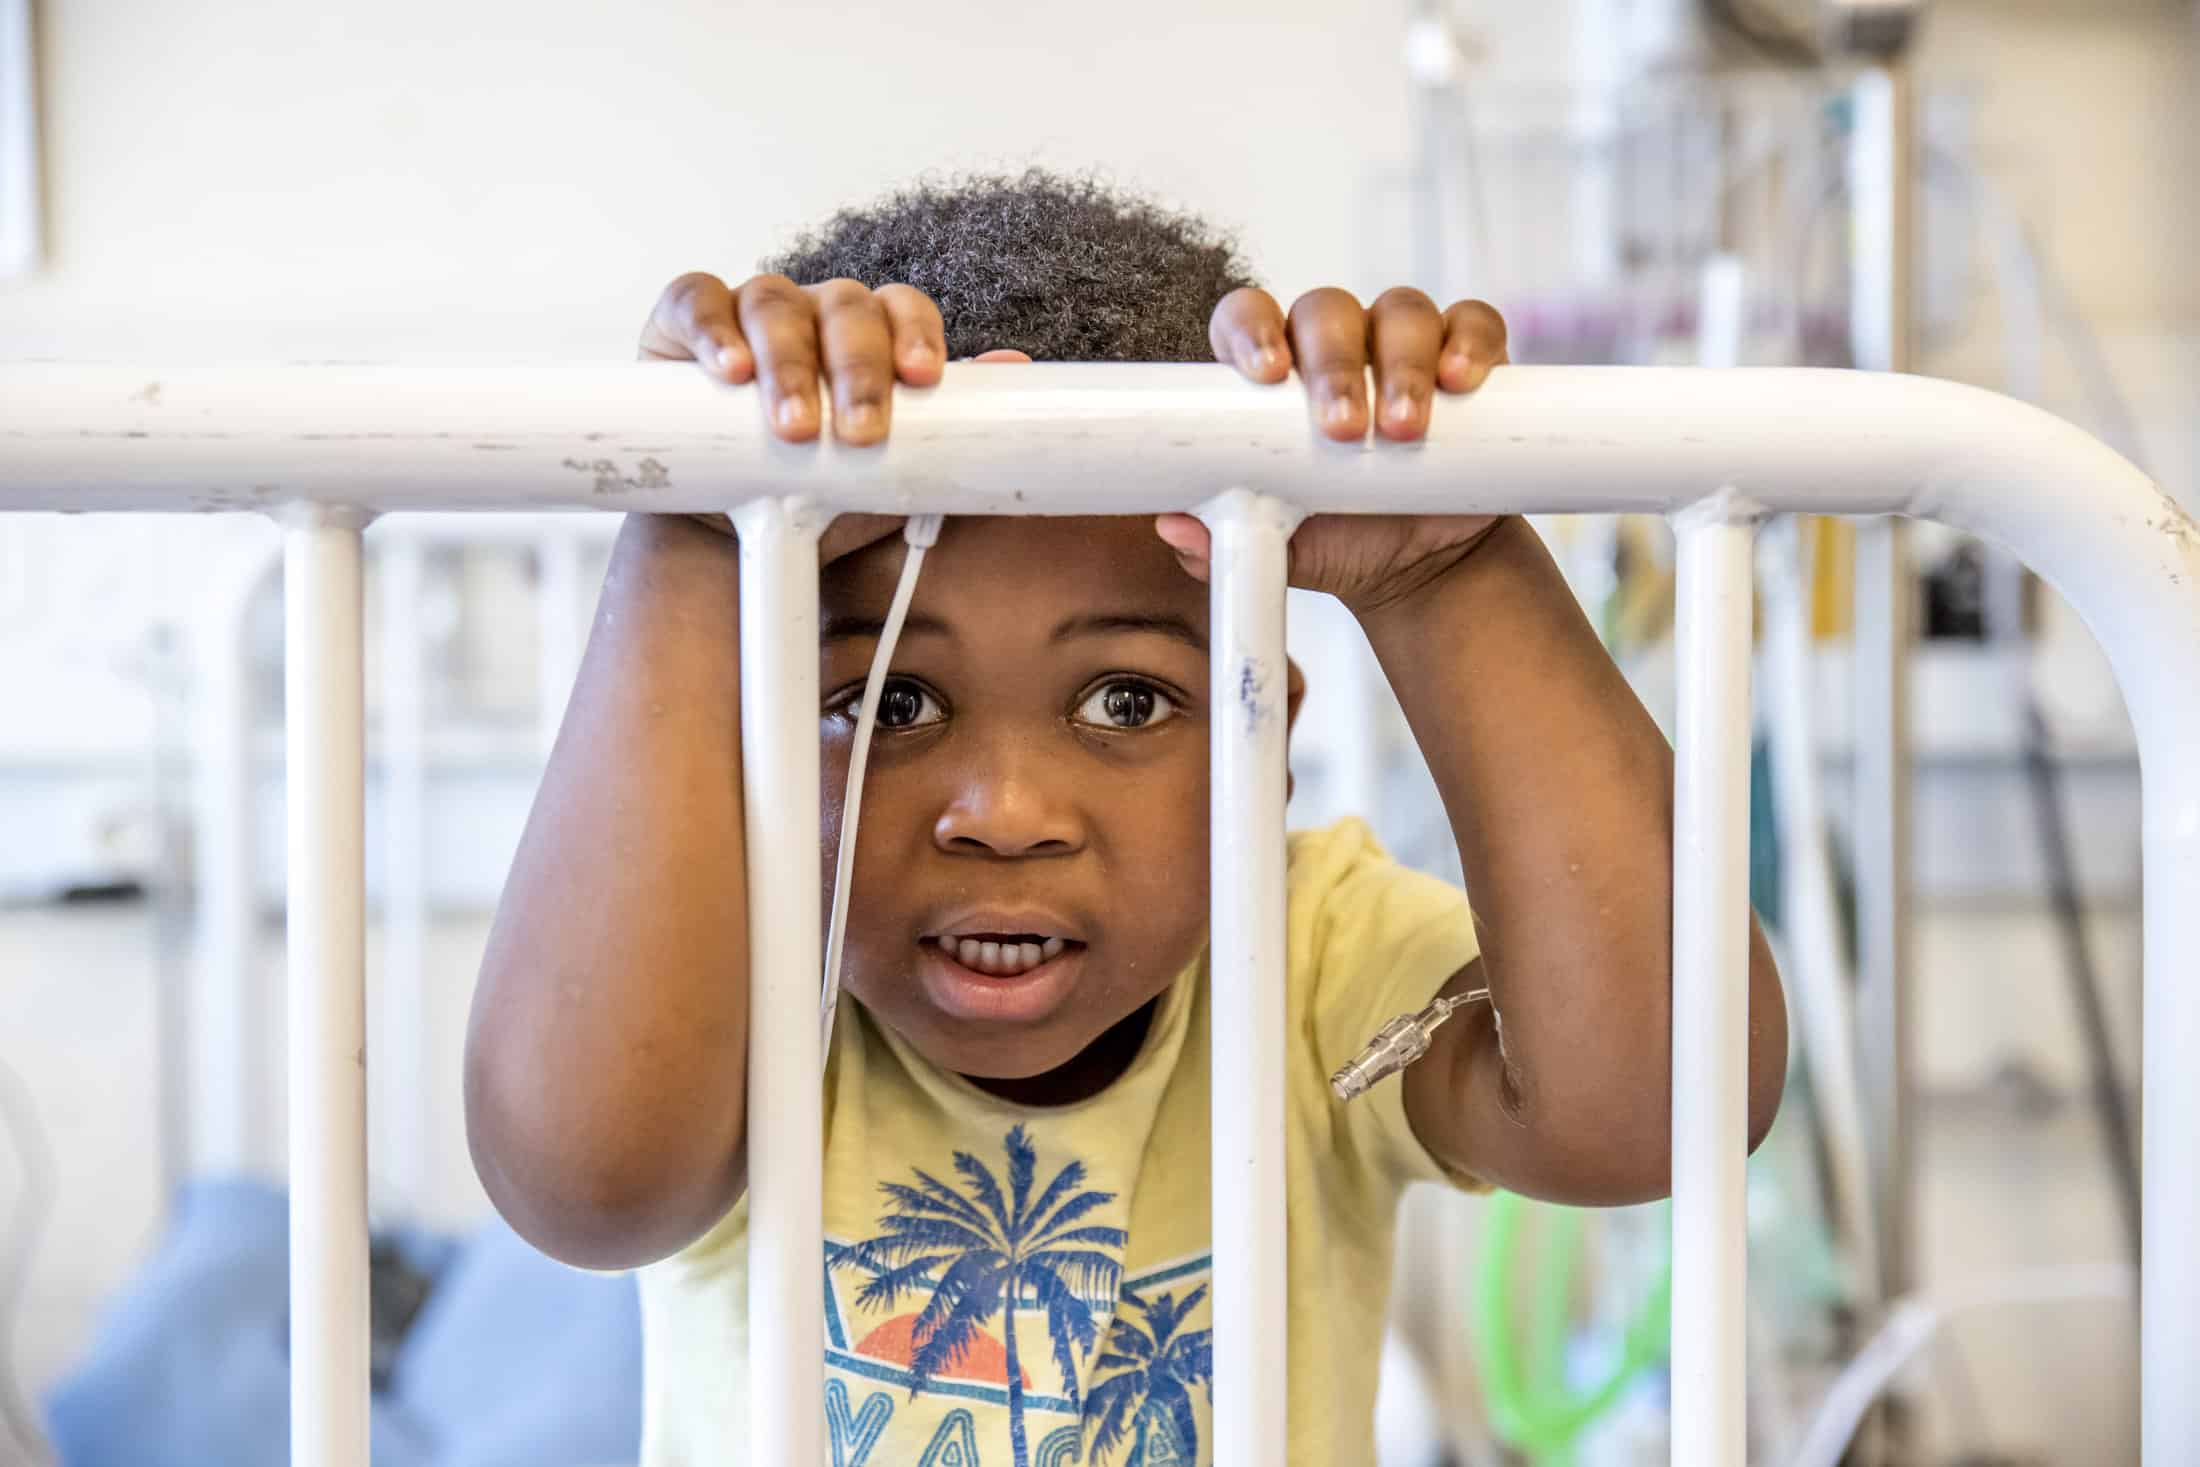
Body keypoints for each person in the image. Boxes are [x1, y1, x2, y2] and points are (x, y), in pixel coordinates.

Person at [464, 168, 1787, 1467]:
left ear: (1265, 743)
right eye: (890, 703)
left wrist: (1452, 570)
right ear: (745, 733)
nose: (1006, 814)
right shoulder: (737, 991)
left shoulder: (1311, 954)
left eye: (1125, 700)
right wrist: (697, 541)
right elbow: (584, 1184)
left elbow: (1659, 1107)